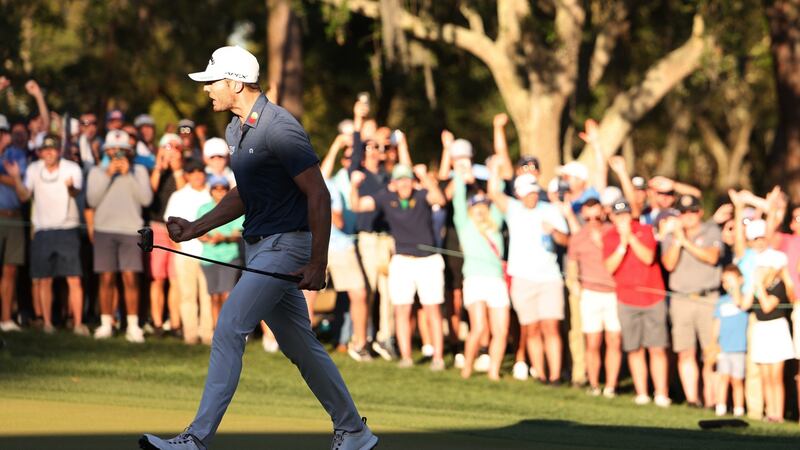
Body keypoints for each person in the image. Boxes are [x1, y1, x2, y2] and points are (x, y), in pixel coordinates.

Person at [140, 45, 376, 450]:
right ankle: (354, 430)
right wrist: (194, 227)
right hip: (262, 245)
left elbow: (318, 194)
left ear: (235, 82)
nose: (208, 90)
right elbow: (244, 195)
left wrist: (318, 263)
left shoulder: (279, 127)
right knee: (299, 344)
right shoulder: (236, 129)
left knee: (229, 327)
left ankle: (195, 439)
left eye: (213, 82)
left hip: (286, 245)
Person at [351, 162, 448, 370]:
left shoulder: (422, 195)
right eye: (400, 180)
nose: (404, 185)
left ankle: (438, 358)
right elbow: (357, 205)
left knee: (432, 309)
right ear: (393, 183)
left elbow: (440, 199)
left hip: (428, 260)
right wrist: (354, 186)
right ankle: (406, 357)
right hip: (402, 260)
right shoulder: (386, 197)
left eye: (407, 180)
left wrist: (426, 178)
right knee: (401, 309)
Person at [488, 169, 569, 384]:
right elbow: (494, 193)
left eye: (534, 192)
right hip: (523, 279)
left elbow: (565, 240)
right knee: (531, 328)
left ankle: (555, 376)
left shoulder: (550, 210)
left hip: (549, 278)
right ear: (519, 194)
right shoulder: (514, 210)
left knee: (551, 327)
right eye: (527, 193)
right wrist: (494, 169)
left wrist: (553, 231)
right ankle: (541, 374)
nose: (532, 196)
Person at [7, 134, 86, 335]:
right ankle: (48, 324)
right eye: (46, 149)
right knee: (44, 278)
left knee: (74, 278)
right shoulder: (34, 169)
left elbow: (76, 192)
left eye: (53, 148)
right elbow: (25, 196)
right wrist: (16, 177)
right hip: (42, 230)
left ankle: (77, 324)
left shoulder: (72, 168)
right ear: (41, 152)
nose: (49, 152)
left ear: (59, 150)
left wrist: (70, 187)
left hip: (68, 228)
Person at [603, 199, 670, 407]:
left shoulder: (645, 230)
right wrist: (622, 245)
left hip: (653, 298)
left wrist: (630, 237)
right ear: (612, 217)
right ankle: (642, 393)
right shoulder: (610, 237)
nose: (622, 220)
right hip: (626, 299)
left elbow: (648, 257)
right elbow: (610, 267)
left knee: (657, 347)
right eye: (618, 216)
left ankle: (661, 393)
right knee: (634, 348)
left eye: (625, 215)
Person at [87, 130, 153, 342]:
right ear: (106, 151)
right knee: (106, 278)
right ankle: (106, 323)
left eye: (121, 150)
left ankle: (133, 326)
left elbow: (145, 200)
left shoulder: (139, 171)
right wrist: (108, 175)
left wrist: (128, 176)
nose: (117, 154)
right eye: (113, 150)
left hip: (130, 230)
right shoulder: (97, 171)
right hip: (104, 230)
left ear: (129, 152)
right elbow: (92, 200)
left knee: (130, 277)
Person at [660, 194, 723, 408]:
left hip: (708, 298)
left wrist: (686, 242)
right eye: (683, 212)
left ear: (700, 212)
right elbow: (669, 264)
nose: (688, 216)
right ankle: (692, 399)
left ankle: (712, 400)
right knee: (685, 351)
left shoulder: (711, 230)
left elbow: (712, 257)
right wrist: (678, 240)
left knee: (711, 353)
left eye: (692, 211)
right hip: (681, 299)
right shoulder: (672, 235)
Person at [451, 164, 509, 381]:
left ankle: (494, 371)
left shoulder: (495, 222)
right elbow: (457, 198)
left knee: (501, 330)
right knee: (479, 326)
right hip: (475, 279)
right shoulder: (465, 224)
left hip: (496, 280)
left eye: (484, 205)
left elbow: (499, 189)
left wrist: (494, 173)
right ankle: (467, 368)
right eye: (476, 206)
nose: (480, 209)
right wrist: (460, 172)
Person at [566, 198, 621, 398]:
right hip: (590, 293)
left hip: (613, 293)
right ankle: (594, 384)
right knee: (592, 341)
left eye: (596, 216)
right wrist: (574, 285)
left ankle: (611, 386)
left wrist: (602, 244)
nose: (593, 220)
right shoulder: (578, 237)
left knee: (614, 340)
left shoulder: (612, 231)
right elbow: (572, 265)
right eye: (588, 217)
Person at [163, 160, 213, 345]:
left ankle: (207, 335)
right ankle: (190, 335)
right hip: (186, 253)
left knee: (208, 295)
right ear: (187, 175)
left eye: (200, 171)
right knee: (187, 295)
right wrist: (178, 248)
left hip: (210, 253)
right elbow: (170, 225)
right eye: (193, 172)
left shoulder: (213, 193)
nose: (197, 175)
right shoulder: (178, 196)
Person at [748, 248, 796, 422]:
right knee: (766, 376)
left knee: (776, 377)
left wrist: (759, 287)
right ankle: (771, 414)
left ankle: (779, 413)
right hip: (761, 329)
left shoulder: (779, 285)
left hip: (776, 330)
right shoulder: (757, 286)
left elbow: (768, 306)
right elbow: (745, 303)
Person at [148, 133, 186, 337]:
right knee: (157, 278)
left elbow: (184, 192)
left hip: (178, 230)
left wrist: (178, 169)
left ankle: (175, 322)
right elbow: (149, 193)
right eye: (167, 148)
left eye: (175, 148)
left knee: (175, 278)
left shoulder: (184, 171)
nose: (171, 153)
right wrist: (159, 166)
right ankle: (156, 322)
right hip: (157, 228)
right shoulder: (156, 171)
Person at [197, 175, 243, 329]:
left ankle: (229, 329)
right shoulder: (203, 208)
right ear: (211, 191)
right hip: (208, 258)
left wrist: (223, 238)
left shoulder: (236, 207)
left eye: (223, 189)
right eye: (216, 189)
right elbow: (198, 231)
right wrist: (203, 237)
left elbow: (238, 233)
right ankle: (217, 329)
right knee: (214, 296)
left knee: (227, 294)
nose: (220, 192)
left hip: (229, 256)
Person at [0, 114, 28, 332]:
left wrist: (12, 178)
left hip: (14, 218)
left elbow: (23, 193)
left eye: (2, 133)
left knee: (11, 270)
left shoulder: (16, 155)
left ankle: (6, 319)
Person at [712, 265, 749, 417]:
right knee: (723, 377)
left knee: (737, 380)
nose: (726, 284)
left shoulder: (744, 298)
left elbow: (740, 303)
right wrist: (713, 343)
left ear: (741, 280)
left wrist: (736, 288)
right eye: (724, 281)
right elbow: (717, 323)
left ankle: (738, 409)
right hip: (724, 348)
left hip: (739, 348)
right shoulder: (721, 301)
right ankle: (720, 407)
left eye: (729, 281)